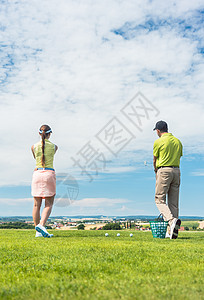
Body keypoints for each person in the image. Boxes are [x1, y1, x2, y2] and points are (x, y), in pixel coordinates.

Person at [153, 120, 183, 239]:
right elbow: (179, 156)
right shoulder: (178, 141)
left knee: (159, 199)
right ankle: (171, 232)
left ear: (158, 130)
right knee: (173, 202)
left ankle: (171, 221)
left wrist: (156, 171)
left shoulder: (158, 142)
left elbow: (155, 159)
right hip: (177, 171)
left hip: (164, 170)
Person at [31, 125, 58, 238]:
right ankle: (41, 225)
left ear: (39, 133)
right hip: (49, 174)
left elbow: (36, 158)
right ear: (50, 134)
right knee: (49, 204)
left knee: (36, 205)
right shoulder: (54, 147)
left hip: (37, 174)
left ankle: (38, 231)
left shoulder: (33, 147)